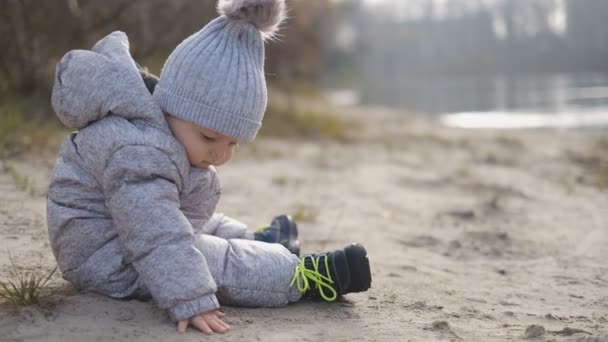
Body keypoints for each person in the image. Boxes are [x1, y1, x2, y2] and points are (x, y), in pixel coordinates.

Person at [46, 0, 371, 335]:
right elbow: (156, 234)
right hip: (103, 256)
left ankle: (259, 240)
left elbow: (171, 218)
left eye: (233, 144)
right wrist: (190, 297)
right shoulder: (138, 150)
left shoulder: (160, 133)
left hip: (122, 230)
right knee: (216, 260)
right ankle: (304, 275)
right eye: (209, 137)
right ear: (171, 108)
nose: (221, 154)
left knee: (202, 223)